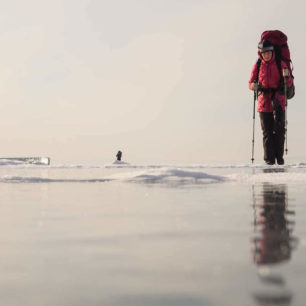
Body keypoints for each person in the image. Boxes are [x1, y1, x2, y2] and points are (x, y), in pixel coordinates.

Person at [249, 40, 293, 165]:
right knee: (267, 132)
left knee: (279, 130)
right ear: (261, 53)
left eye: (268, 52)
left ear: (272, 52)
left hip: (278, 101)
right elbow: (250, 83)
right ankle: (269, 160)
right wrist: (254, 85)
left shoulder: (280, 63)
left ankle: (279, 158)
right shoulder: (258, 65)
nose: (266, 55)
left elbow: (288, 83)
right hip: (263, 103)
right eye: (264, 53)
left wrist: (286, 78)